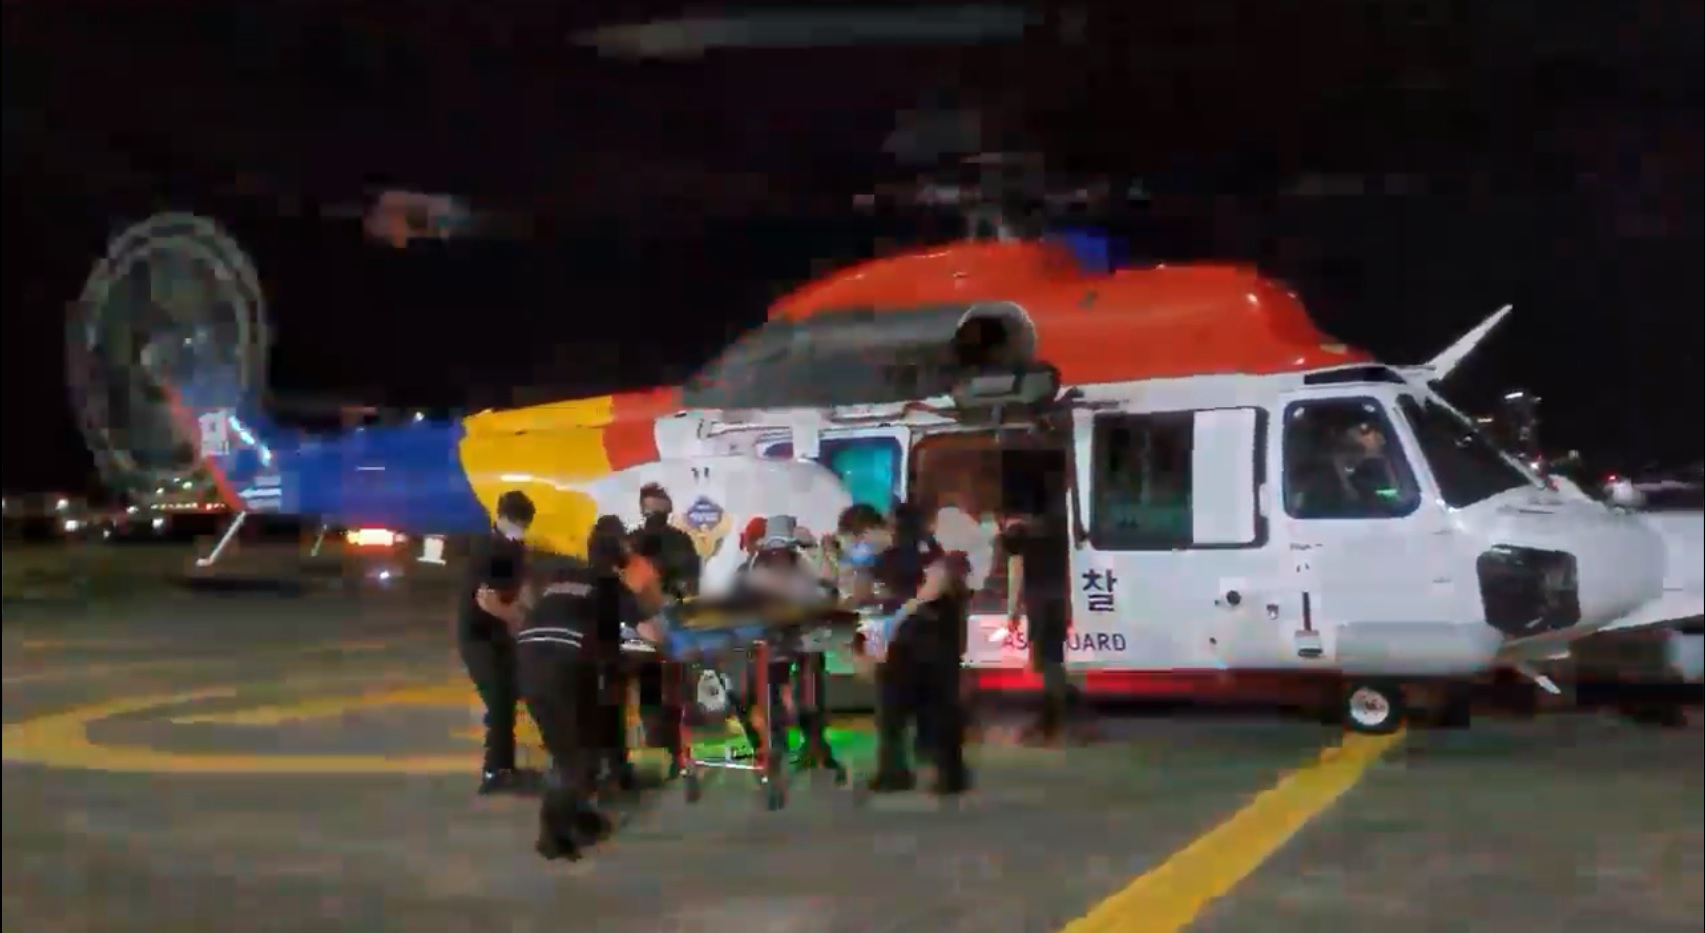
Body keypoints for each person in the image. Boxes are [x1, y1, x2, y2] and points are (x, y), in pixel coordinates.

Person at [475, 516, 662, 862]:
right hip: (563, 669)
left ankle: (578, 819)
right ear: (619, 558)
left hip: (528, 664)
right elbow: (651, 634)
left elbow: (533, 609)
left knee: (566, 751)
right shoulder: (612, 586)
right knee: (579, 757)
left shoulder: (562, 577)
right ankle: (553, 837)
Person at [843, 502, 972, 796]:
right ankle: (949, 775)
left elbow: (870, 599)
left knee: (893, 713)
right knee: (940, 711)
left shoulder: (891, 558)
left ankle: (896, 772)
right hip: (937, 643)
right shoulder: (933, 552)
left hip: (908, 643)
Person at [616, 483, 698, 779]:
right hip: (642, 624)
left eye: (658, 507)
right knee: (653, 686)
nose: (654, 513)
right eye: (651, 508)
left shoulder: (679, 542)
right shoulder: (634, 542)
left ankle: (673, 749)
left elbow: (690, 584)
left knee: (670, 687)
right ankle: (664, 745)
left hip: (667, 621)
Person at [457, 489, 534, 795]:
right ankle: (493, 772)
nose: (521, 529)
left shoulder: (515, 547)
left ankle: (507, 767)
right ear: (501, 517)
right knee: (499, 698)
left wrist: (532, 613)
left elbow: (522, 586)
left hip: (499, 634)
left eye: (524, 524)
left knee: (510, 695)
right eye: (517, 522)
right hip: (478, 637)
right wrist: (517, 619)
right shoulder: (487, 549)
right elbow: (486, 599)